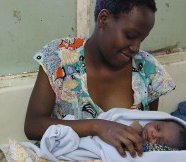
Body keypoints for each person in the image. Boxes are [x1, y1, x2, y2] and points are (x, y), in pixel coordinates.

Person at [24, 0, 176, 158]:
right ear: (104, 19)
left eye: (142, 39)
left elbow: (150, 142)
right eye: (130, 36)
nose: (136, 47)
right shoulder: (58, 57)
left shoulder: (148, 70)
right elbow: (32, 126)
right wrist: (97, 126)